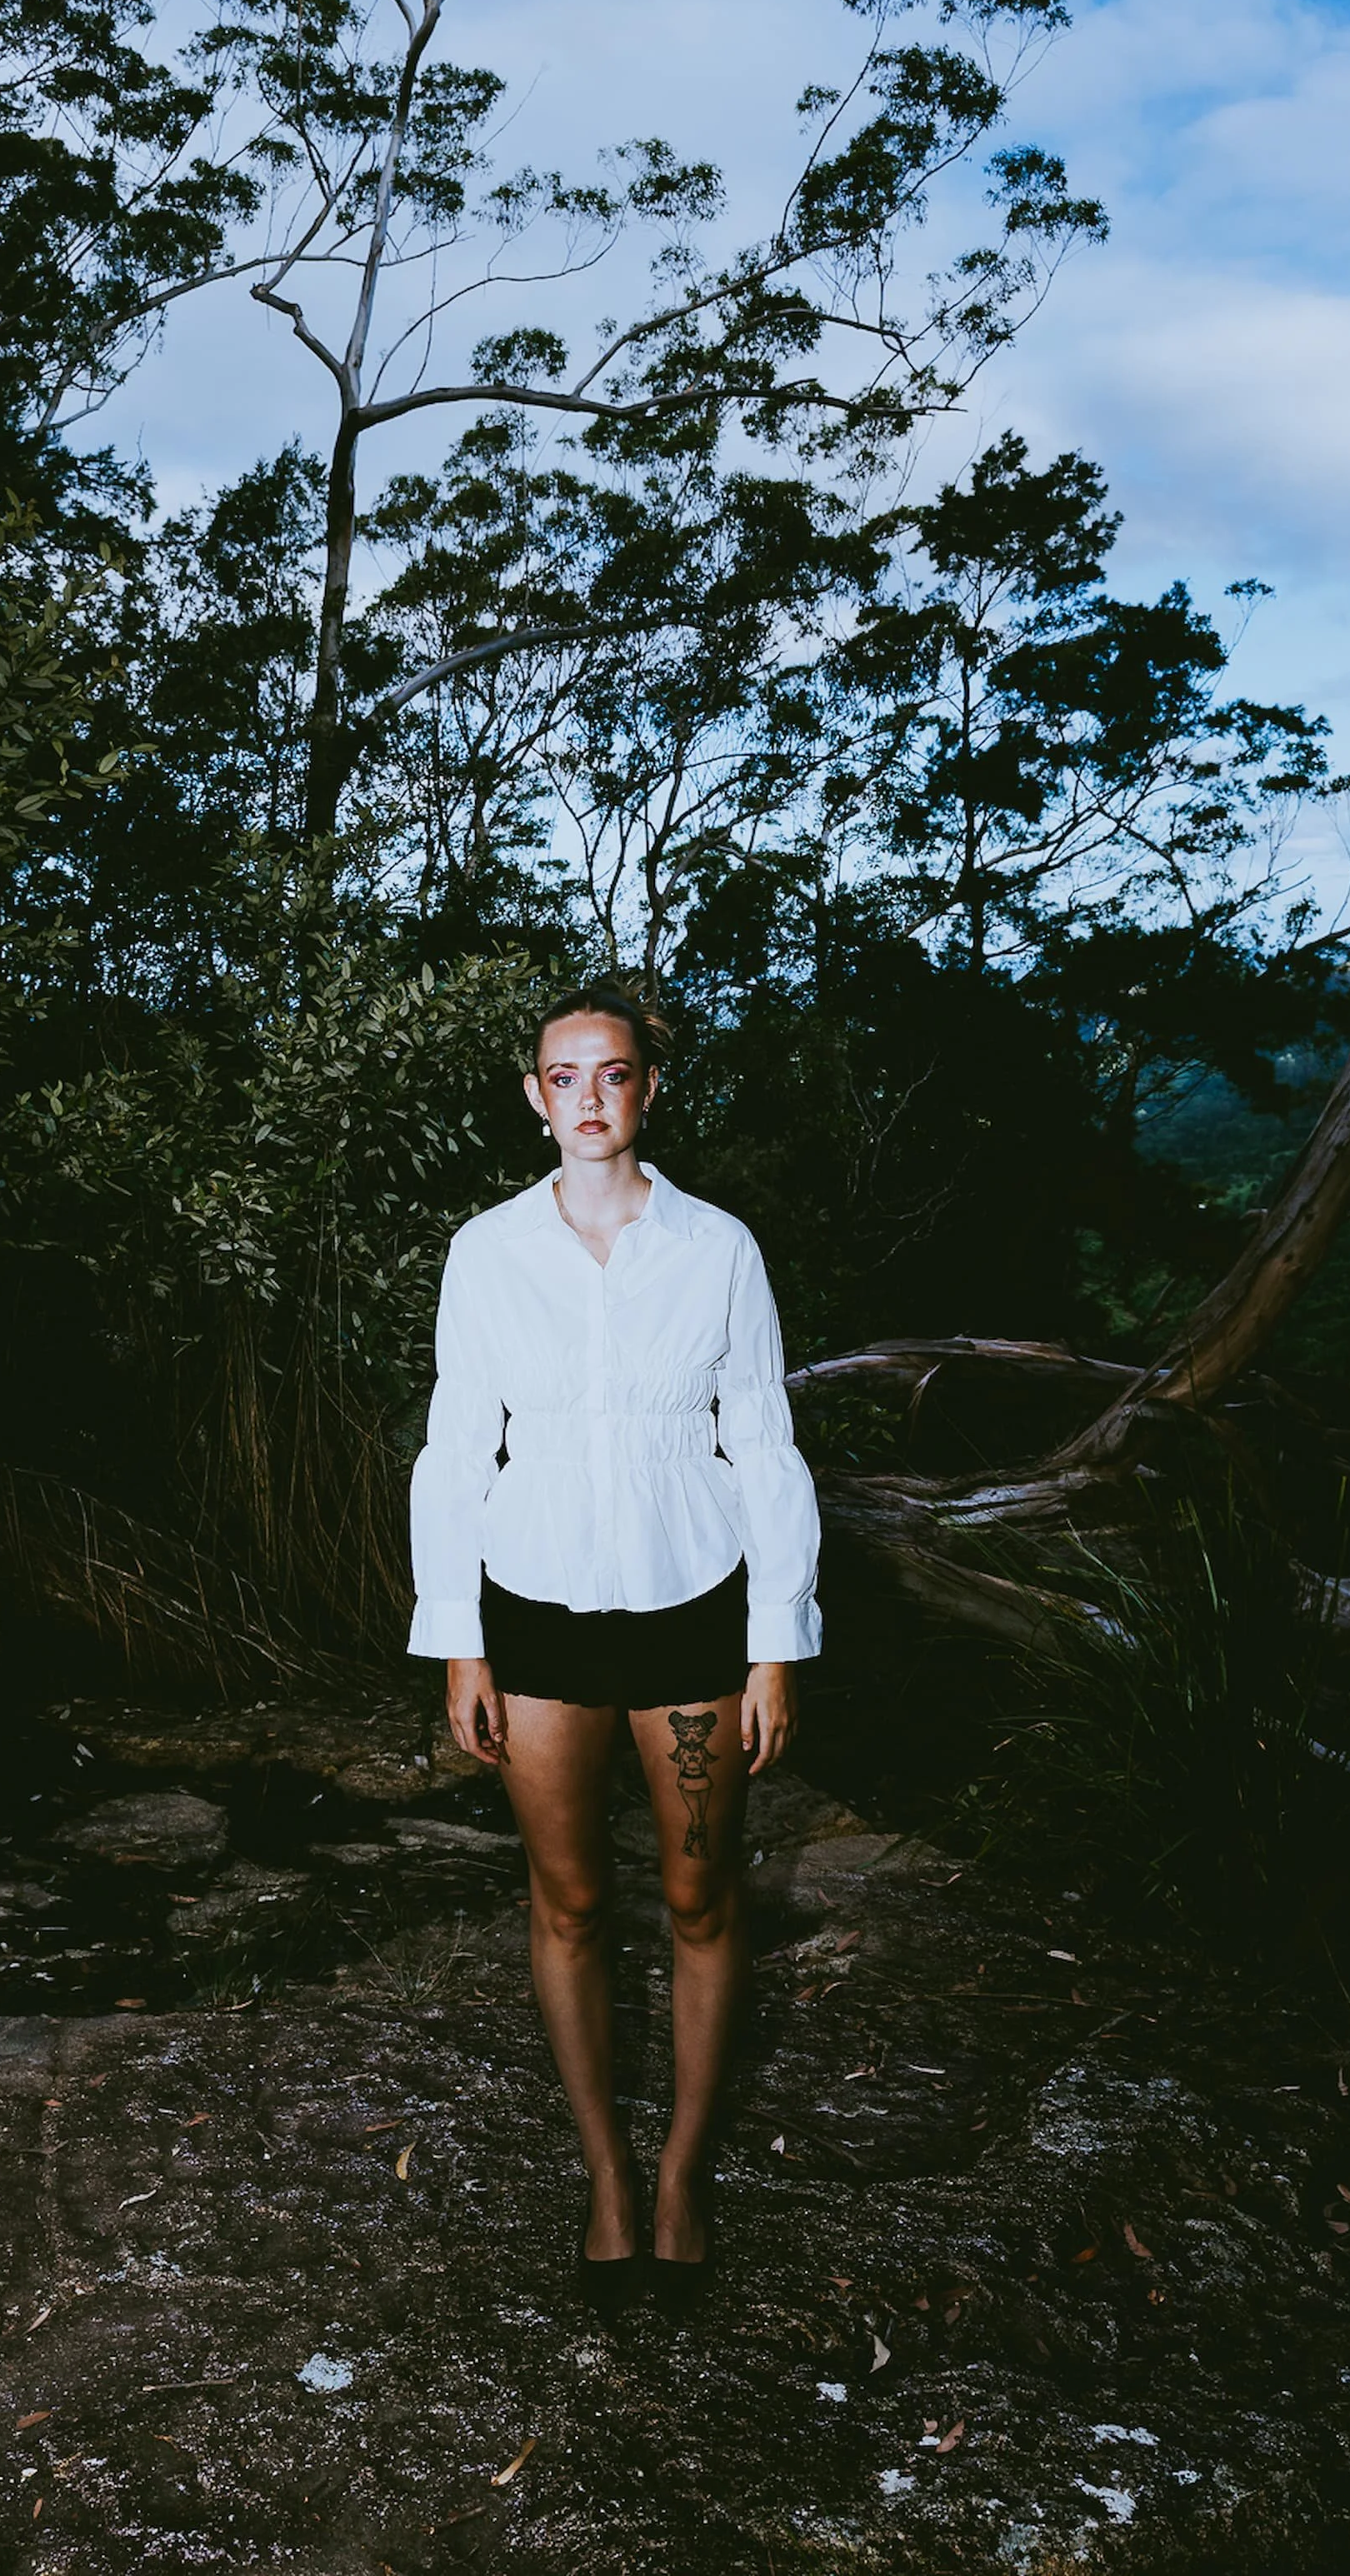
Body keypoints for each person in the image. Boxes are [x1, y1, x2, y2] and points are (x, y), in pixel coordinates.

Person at [408, 984, 822, 2316]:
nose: (590, 1097)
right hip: (531, 1609)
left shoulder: (719, 1249)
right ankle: (603, 2175)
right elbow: (454, 1452)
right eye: (563, 1076)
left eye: (615, 1074)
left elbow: (764, 1446)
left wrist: (776, 1646)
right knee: (570, 1904)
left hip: (693, 1600)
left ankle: (685, 2175)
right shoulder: (486, 1253)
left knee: (704, 1901)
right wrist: (457, 1644)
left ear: (652, 1089)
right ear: (536, 1098)